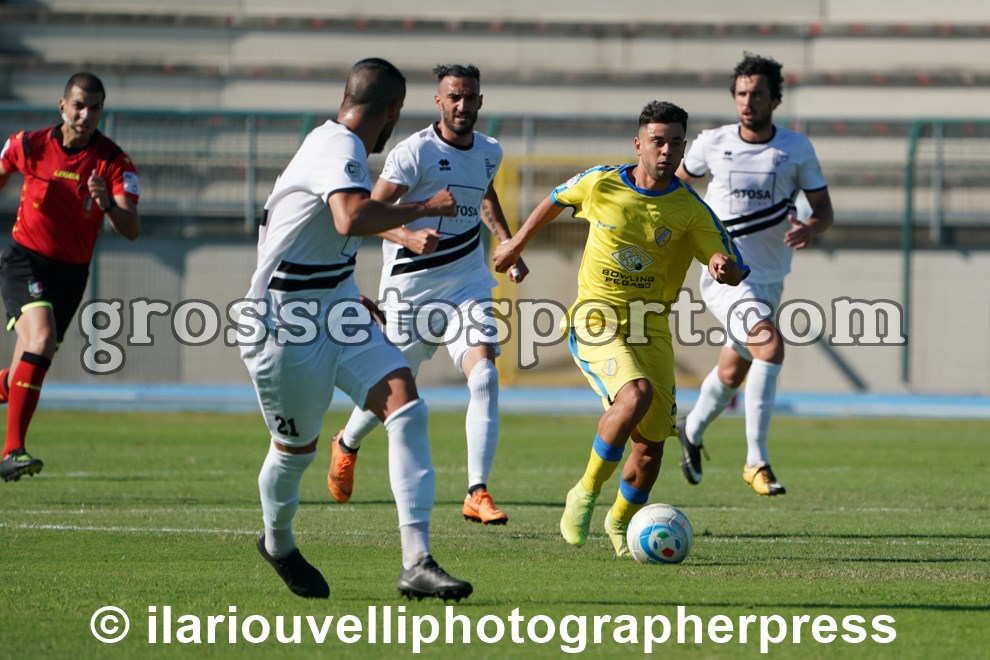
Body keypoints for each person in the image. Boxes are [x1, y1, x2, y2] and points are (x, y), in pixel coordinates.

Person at [238, 57, 472, 601]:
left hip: (336, 309)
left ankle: (417, 562)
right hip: (284, 323)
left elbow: (326, 235)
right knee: (294, 453)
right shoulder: (337, 146)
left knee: (406, 405)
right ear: (392, 110)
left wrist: (347, 290)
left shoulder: (337, 148)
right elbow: (350, 218)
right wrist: (426, 206)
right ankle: (278, 542)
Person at [493, 101, 748, 556]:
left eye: (675, 143)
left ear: (683, 149)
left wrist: (722, 267)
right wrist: (515, 243)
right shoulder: (601, 182)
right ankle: (584, 493)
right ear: (638, 144)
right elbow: (555, 199)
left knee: (650, 452)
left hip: (651, 328)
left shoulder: (690, 209)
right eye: (657, 141)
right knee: (635, 395)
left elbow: (726, 260)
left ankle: (620, 522)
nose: (666, 151)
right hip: (596, 317)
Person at [327, 64, 527, 526]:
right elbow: (367, 212)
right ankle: (347, 442)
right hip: (410, 292)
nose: (462, 105)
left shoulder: (490, 151)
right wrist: (406, 236)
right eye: (454, 97)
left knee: (485, 376)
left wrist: (509, 244)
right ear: (439, 101)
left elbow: (484, 195)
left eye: (470, 97)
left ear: (480, 101)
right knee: (391, 392)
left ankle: (476, 491)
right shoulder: (413, 152)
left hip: (467, 284)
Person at [675, 53, 834, 496]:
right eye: (742, 93)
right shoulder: (712, 142)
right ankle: (756, 461)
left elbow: (824, 211)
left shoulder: (796, 149)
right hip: (725, 274)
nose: (748, 101)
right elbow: (675, 188)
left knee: (731, 373)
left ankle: (691, 428)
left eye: (758, 94)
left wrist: (811, 227)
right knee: (770, 346)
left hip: (770, 278)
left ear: (775, 99)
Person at [0, 72, 140, 483]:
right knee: (41, 339)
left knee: (21, 375)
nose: (85, 115)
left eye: (94, 108)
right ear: (62, 106)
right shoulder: (29, 144)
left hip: (71, 277)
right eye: (79, 106)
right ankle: (12, 451)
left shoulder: (114, 163)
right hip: (26, 261)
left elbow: (132, 228)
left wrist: (107, 205)